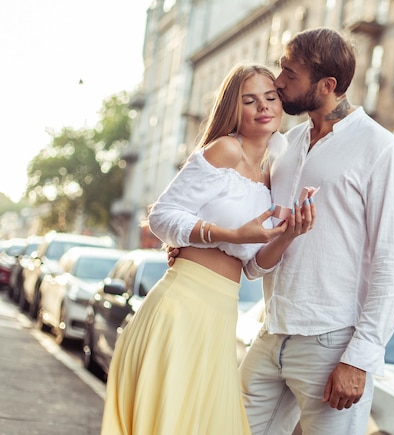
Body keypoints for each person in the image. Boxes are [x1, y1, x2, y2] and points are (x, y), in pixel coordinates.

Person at [100, 64, 314, 435]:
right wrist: (229, 232)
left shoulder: (269, 177)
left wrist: (289, 235)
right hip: (182, 306)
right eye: (250, 100)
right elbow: (162, 217)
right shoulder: (225, 150)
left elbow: (252, 266)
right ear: (235, 108)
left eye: (271, 97)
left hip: (220, 314)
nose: (263, 107)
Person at [238, 28, 394, 434]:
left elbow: (392, 263)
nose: (278, 81)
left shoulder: (380, 149)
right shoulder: (285, 145)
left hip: (331, 344)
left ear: (327, 85)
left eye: (290, 73)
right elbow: (253, 222)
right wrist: (194, 242)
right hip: (271, 332)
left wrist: (360, 358)